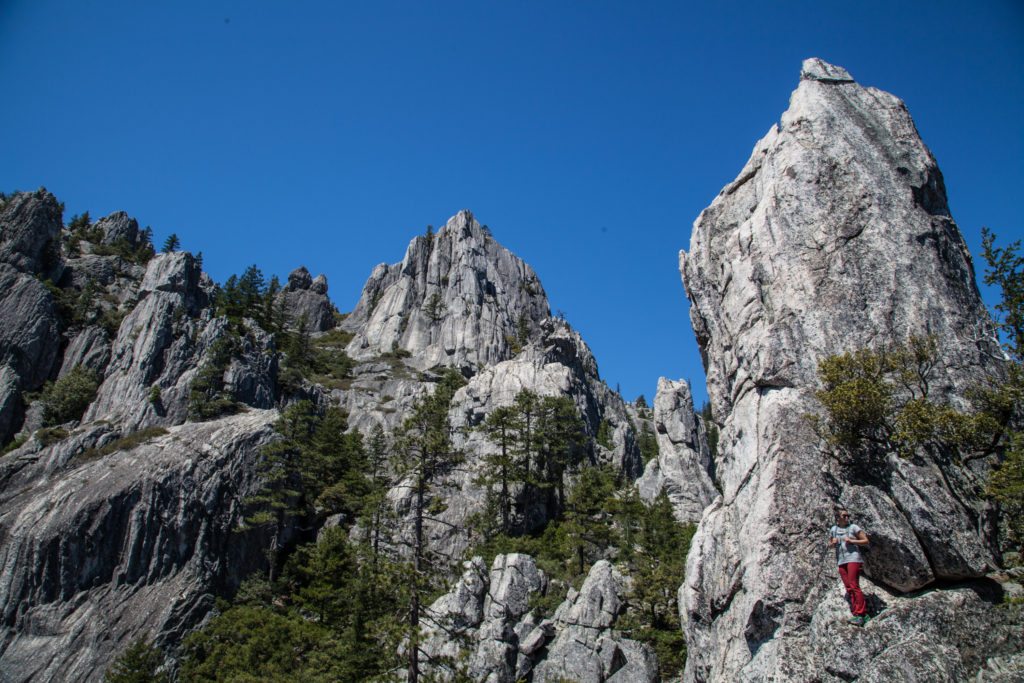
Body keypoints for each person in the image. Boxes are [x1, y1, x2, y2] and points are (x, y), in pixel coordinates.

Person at [828, 507, 870, 625]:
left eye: (847, 516)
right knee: (848, 587)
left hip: (853, 559)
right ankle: (857, 613)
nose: (847, 518)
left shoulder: (853, 527)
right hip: (841, 560)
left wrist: (853, 541)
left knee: (854, 585)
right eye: (844, 516)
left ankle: (861, 614)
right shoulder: (834, 529)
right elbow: (830, 544)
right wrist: (833, 543)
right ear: (838, 518)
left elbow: (866, 540)